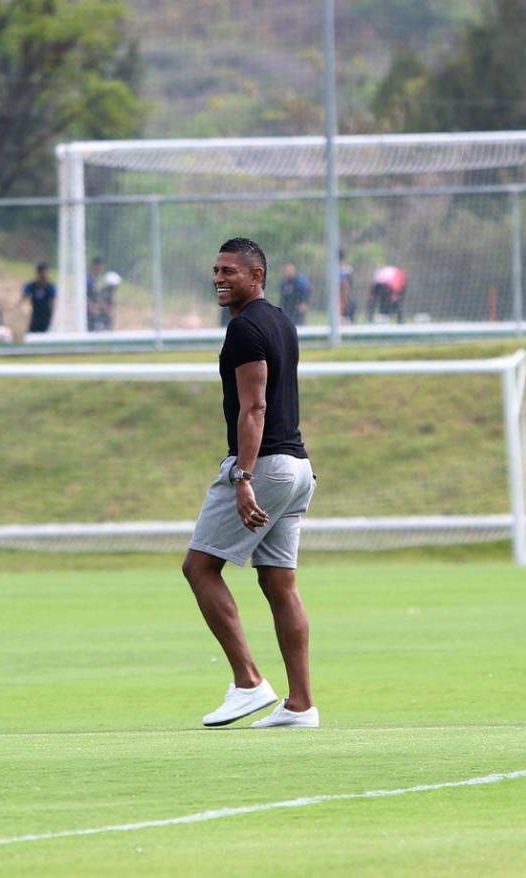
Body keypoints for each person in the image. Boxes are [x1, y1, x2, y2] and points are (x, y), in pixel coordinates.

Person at [182, 237, 318, 730]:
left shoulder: (244, 329)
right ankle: (301, 705)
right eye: (216, 270)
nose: (219, 278)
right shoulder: (281, 320)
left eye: (230, 272)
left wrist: (243, 476)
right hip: (299, 470)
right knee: (279, 584)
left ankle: (248, 682)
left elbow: (255, 407)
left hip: (267, 467)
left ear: (256, 276)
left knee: (199, 568)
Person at [23, 262, 56, 334]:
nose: (45, 276)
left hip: (46, 317)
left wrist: (52, 316)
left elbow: (53, 302)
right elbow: (24, 299)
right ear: (38, 274)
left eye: (46, 273)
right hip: (35, 316)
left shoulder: (50, 287)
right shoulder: (32, 286)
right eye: (43, 274)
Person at [278, 262, 311, 327]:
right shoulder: (283, 283)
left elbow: (306, 293)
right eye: (287, 269)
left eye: (290, 269)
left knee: (299, 327)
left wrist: (304, 303)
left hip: (297, 310)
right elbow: (282, 298)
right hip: (287, 310)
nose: (289, 271)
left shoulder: (299, 281)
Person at [338, 250, 355, 322]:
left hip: (344, 297)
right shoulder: (348, 269)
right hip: (345, 297)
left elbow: (346, 284)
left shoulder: (336, 269)